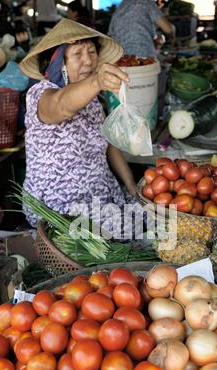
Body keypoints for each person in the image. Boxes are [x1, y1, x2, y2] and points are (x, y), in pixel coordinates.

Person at [19, 19, 143, 238]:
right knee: (147, 234)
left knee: (155, 216)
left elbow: (108, 146)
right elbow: (61, 106)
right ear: (59, 63)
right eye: (78, 54)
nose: (88, 60)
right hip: (60, 210)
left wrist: (131, 186)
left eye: (92, 52)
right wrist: (97, 82)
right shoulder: (40, 95)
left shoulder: (92, 100)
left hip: (101, 200)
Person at [108, 0, 176, 58]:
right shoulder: (146, 2)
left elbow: (111, 34)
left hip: (121, 59)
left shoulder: (121, 6)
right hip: (143, 58)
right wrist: (173, 33)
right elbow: (168, 29)